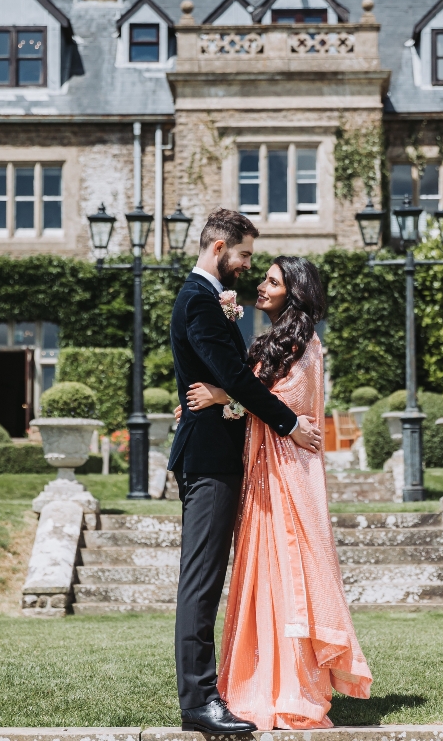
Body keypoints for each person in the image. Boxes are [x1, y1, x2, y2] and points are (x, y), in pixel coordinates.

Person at [185, 256, 372, 729]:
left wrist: (223, 395)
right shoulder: (272, 340)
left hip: (290, 471)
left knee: (290, 570)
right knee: (261, 570)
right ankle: (257, 681)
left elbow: (286, 401)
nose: (260, 286)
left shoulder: (307, 344)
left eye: (272, 281)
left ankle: (293, 687)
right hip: (266, 469)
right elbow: (258, 390)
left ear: (295, 292)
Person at [167, 209, 325, 735]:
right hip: (210, 460)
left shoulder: (206, 303)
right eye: (245, 255)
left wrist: (211, 398)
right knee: (202, 583)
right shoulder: (200, 302)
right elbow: (234, 375)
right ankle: (199, 702)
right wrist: (289, 424)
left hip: (218, 451)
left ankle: (215, 693)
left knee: (208, 581)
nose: (247, 266)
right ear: (219, 250)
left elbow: (219, 381)